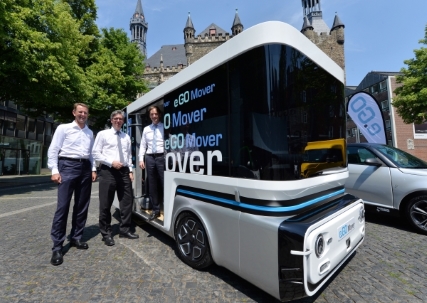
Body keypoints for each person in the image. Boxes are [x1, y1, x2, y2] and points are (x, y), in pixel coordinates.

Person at [47, 103, 97, 266]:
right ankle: (57, 246)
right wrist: (54, 169)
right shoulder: (64, 128)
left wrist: (93, 168)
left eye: (85, 113)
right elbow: (54, 149)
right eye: (80, 112)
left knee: (82, 205)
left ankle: (76, 237)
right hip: (67, 166)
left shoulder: (90, 132)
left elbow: (91, 154)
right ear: (74, 113)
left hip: (85, 168)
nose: (83, 115)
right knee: (63, 207)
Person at [92, 110, 138, 246]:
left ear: (123, 121)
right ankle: (106, 233)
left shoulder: (126, 137)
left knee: (127, 202)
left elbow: (129, 155)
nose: (118, 121)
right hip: (108, 171)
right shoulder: (103, 134)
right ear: (111, 120)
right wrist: (110, 162)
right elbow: (95, 153)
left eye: (121, 119)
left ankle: (125, 230)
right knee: (105, 204)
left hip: (124, 172)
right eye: (116, 119)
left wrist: (130, 170)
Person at [139, 105, 164, 221]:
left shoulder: (164, 127)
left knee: (164, 182)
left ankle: (167, 208)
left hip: (161, 157)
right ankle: (156, 210)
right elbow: (143, 145)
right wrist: (141, 159)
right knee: (152, 184)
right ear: (149, 116)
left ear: (159, 114)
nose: (154, 116)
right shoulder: (146, 129)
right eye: (152, 114)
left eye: (156, 114)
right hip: (149, 157)